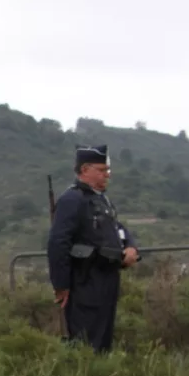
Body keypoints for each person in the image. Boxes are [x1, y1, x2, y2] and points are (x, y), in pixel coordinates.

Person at [46, 145, 139, 353]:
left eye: (108, 170)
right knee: (86, 342)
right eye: (102, 170)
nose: (107, 175)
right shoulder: (72, 199)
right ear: (85, 169)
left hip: (107, 277)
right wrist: (61, 285)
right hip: (85, 280)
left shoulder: (102, 200)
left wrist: (130, 246)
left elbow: (117, 228)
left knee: (103, 339)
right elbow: (58, 243)